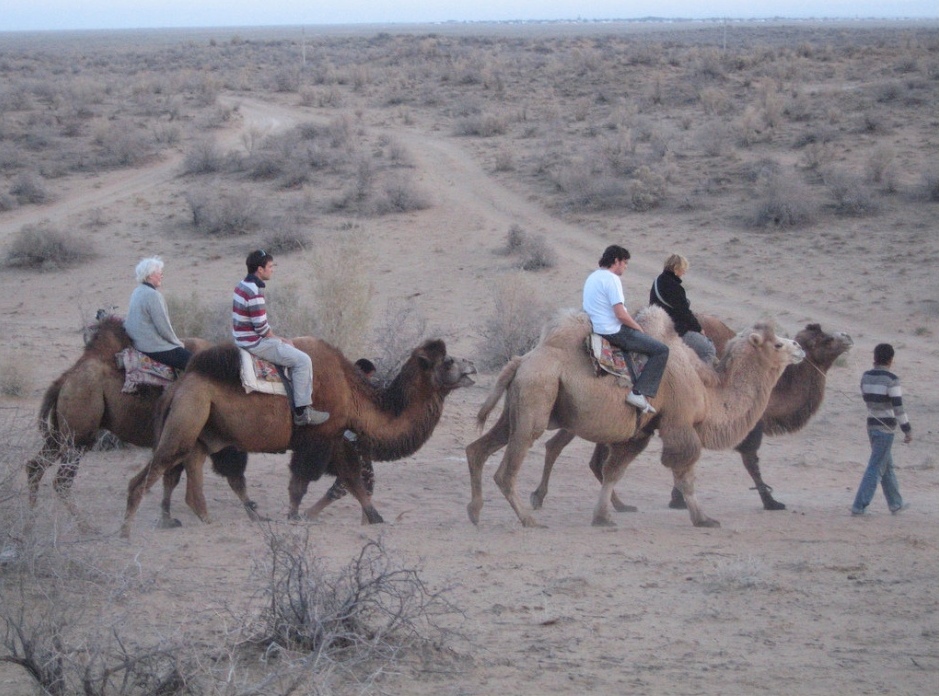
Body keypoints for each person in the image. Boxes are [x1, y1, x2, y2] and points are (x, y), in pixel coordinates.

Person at [233, 250, 329, 427]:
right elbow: (261, 328)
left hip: (240, 338)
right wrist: (280, 339)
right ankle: (302, 412)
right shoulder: (255, 291)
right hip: (254, 343)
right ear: (260, 269)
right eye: (270, 266)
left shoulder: (241, 285)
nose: (272, 270)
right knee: (302, 360)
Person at [583, 244, 669, 414]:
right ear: (616, 261)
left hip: (596, 327)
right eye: (625, 262)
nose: (626, 266)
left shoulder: (592, 277)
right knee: (661, 350)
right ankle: (638, 393)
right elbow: (620, 314)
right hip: (613, 331)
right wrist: (637, 327)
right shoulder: (612, 279)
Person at [851, 343, 912, 516]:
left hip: (871, 425)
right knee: (876, 467)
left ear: (875, 357)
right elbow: (898, 408)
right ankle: (859, 506)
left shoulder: (866, 376)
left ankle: (895, 504)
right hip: (886, 429)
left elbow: (866, 397)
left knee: (887, 466)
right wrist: (907, 430)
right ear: (891, 360)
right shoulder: (892, 379)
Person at [124, 256, 192, 371]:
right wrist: (177, 343)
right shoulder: (153, 295)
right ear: (150, 275)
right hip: (153, 347)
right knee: (195, 362)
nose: (162, 276)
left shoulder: (137, 291)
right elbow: (163, 327)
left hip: (137, 344)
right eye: (159, 273)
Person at [649, 253, 717, 364]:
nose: (684, 272)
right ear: (676, 269)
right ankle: (702, 380)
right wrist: (699, 329)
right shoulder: (674, 286)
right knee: (708, 349)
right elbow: (684, 313)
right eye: (683, 269)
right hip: (675, 330)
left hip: (659, 326)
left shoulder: (657, 281)